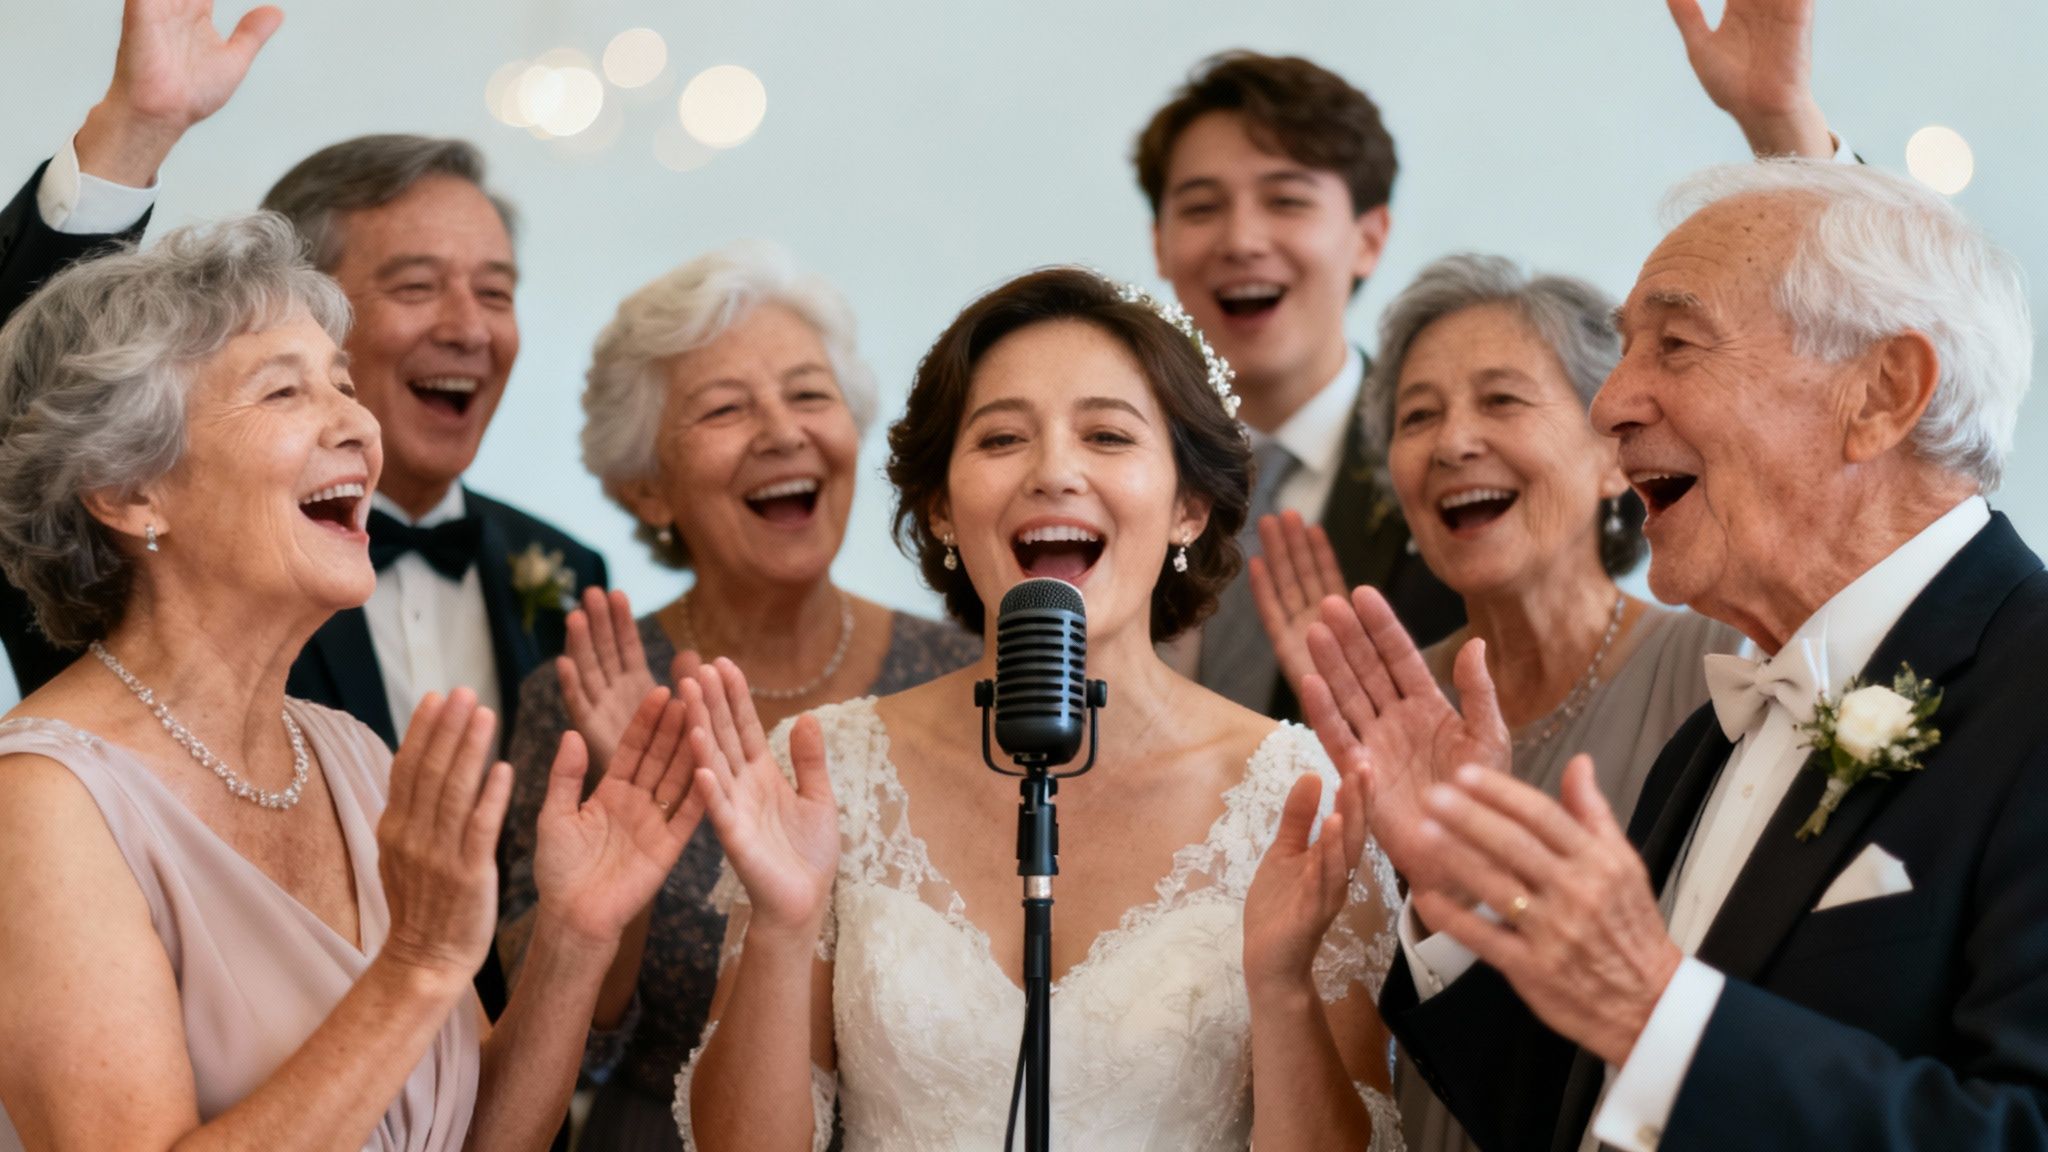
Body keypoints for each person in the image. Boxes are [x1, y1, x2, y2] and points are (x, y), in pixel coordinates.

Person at [1307, 157, 2045, 1151]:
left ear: (1881, 393)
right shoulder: (1712, 735)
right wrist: (1464, 894)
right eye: (1624, 352)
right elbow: (1576, 1113)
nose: (1609, 403)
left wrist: (1658, 1012)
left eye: (1676, 344)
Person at [0, 213, 701, 1151]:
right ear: (130, 491)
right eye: (285, 391)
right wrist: (416, 964)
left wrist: (576, 936)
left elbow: (480, 1139)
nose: (360, 426)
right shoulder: (40, 804)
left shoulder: (353, 756)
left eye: (343, 383)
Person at [675, 267, 1402, 1150]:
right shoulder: (824, 771)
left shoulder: (1301, 797)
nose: (1054, 472)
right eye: (1003, 438)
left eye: (1107, 435)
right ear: (941, 508)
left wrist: (1282, 992)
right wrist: (784, 931)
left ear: (1188, 505)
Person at [0, 0, 606, 1018]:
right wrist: (136, 130)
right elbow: (38, 399)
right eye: (417, 285)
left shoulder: (564, 575)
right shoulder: (64, 757)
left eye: (496, 292)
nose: (469, 327)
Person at [1249, 253, 1745, 1152]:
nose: (1452, 443)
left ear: (1613, 455)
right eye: (1418, 416)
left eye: (1502, 400)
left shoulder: (1721, 666)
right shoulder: (1380, 715)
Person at [496, 242, 979, 1151]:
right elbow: (565, 1052)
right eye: (725, 408)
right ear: (649, 489)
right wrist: (630, 807)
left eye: (809, 395)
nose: (783, 433)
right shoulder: (584, 692)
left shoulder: (961, 671)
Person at [1134, 50, 1463, 716]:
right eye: (1201, 208)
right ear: (1161, 243)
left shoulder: (1448, 472)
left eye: (1286, 201)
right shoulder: (1118, 466)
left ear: (1369, 238)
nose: (1241, 240)